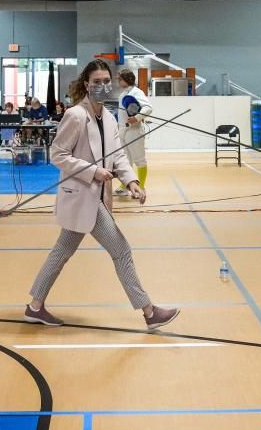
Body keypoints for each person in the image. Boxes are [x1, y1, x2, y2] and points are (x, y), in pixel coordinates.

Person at [23, 59, 179, 330]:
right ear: (86, 84)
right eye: (97, 82)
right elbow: (58, 155)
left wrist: (131, 182)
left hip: (95, 197)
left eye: (106, 82)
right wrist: (93, 171)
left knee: (61, 252)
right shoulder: (75, 115)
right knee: (121, 250)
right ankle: (149, 311)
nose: (103, 86)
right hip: (82, 195)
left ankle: (34, 307)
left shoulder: (107, 117)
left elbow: (117, 155)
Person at [114, 69, 152, 197]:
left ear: (126, 79)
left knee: (139, 160)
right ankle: (125, 186)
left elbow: (148, 108)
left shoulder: (137, 92)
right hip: (123, 131)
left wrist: (137, 117)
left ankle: (141, 188)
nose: (118, 81)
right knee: (125, 160)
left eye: (120, 79)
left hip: (134, 130)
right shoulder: (123, 94)